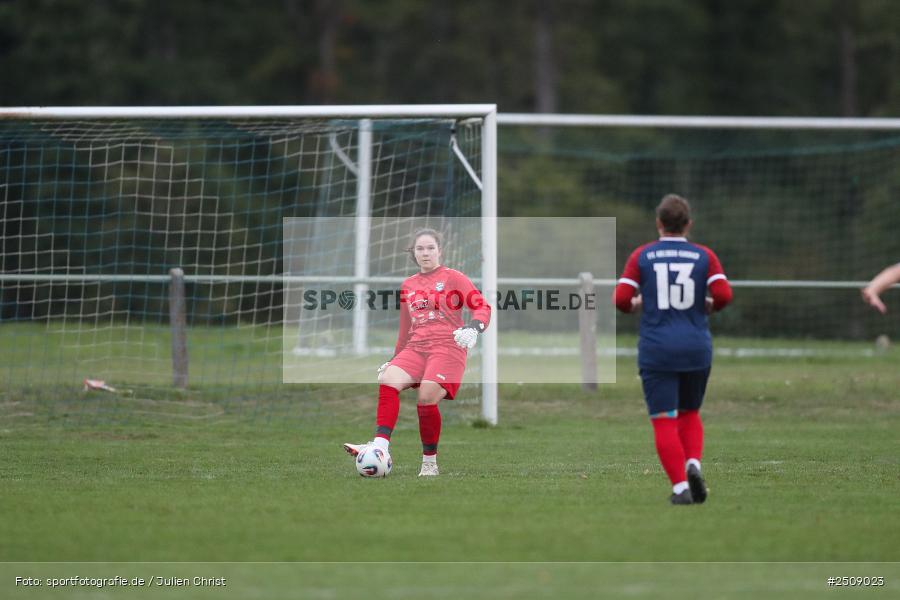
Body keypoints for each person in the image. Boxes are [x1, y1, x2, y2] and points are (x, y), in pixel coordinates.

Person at [612, 194, 733, 505]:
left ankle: (681, 488)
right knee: (690, 412)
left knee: (664, 418)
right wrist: (710, 305)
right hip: (696, 347)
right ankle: (693, 462)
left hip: (658, 349)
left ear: (659, 223)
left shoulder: (642, 255)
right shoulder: (704, 256)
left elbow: (621, 299)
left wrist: (637, 304)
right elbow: (723, 294)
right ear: (688, 224)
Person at [343, 228, 491, 477]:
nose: (425, 253)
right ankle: (379, 447)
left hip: (447, 349)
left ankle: (429, 463)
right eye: (420, 248)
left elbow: (481, 306)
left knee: (426, 396)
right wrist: (394, 359)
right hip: (416, 348)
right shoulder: (408, 285)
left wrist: (475, 327)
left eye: (430, 248)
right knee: (388, 379)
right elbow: (405, 329)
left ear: (439, 251)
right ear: (413, 253)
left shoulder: (453, 277)